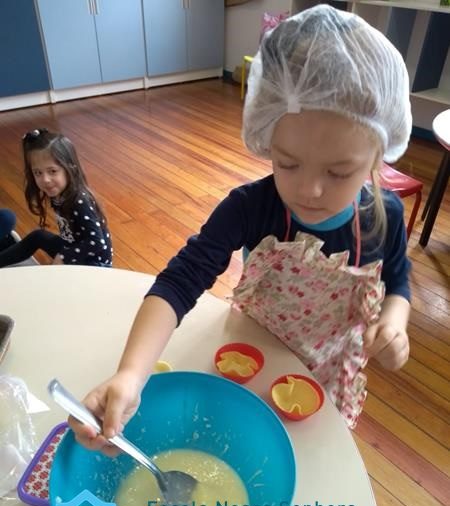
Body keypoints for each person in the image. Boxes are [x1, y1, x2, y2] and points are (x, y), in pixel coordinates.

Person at [71, 4, 412, 451]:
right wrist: (131, 374)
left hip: (329, 370)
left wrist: (394, 322)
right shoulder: (250, 208)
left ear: (377, 156)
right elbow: (181, 279)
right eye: (287, 163)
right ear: (268, 139)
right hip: (253, 351)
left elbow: (397, 280)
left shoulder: (384, 217)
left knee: (307, 452)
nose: (309, 189)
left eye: (338, 172)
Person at [0, 129, 112, 267]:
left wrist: (64, 256)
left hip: (94, 265)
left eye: (52, 171)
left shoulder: (80, 201)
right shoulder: (58, 192)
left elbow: (97, 242)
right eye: (38, 173)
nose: (45, 180)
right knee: (38, 236)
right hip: (73, 247)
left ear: (70, 169)